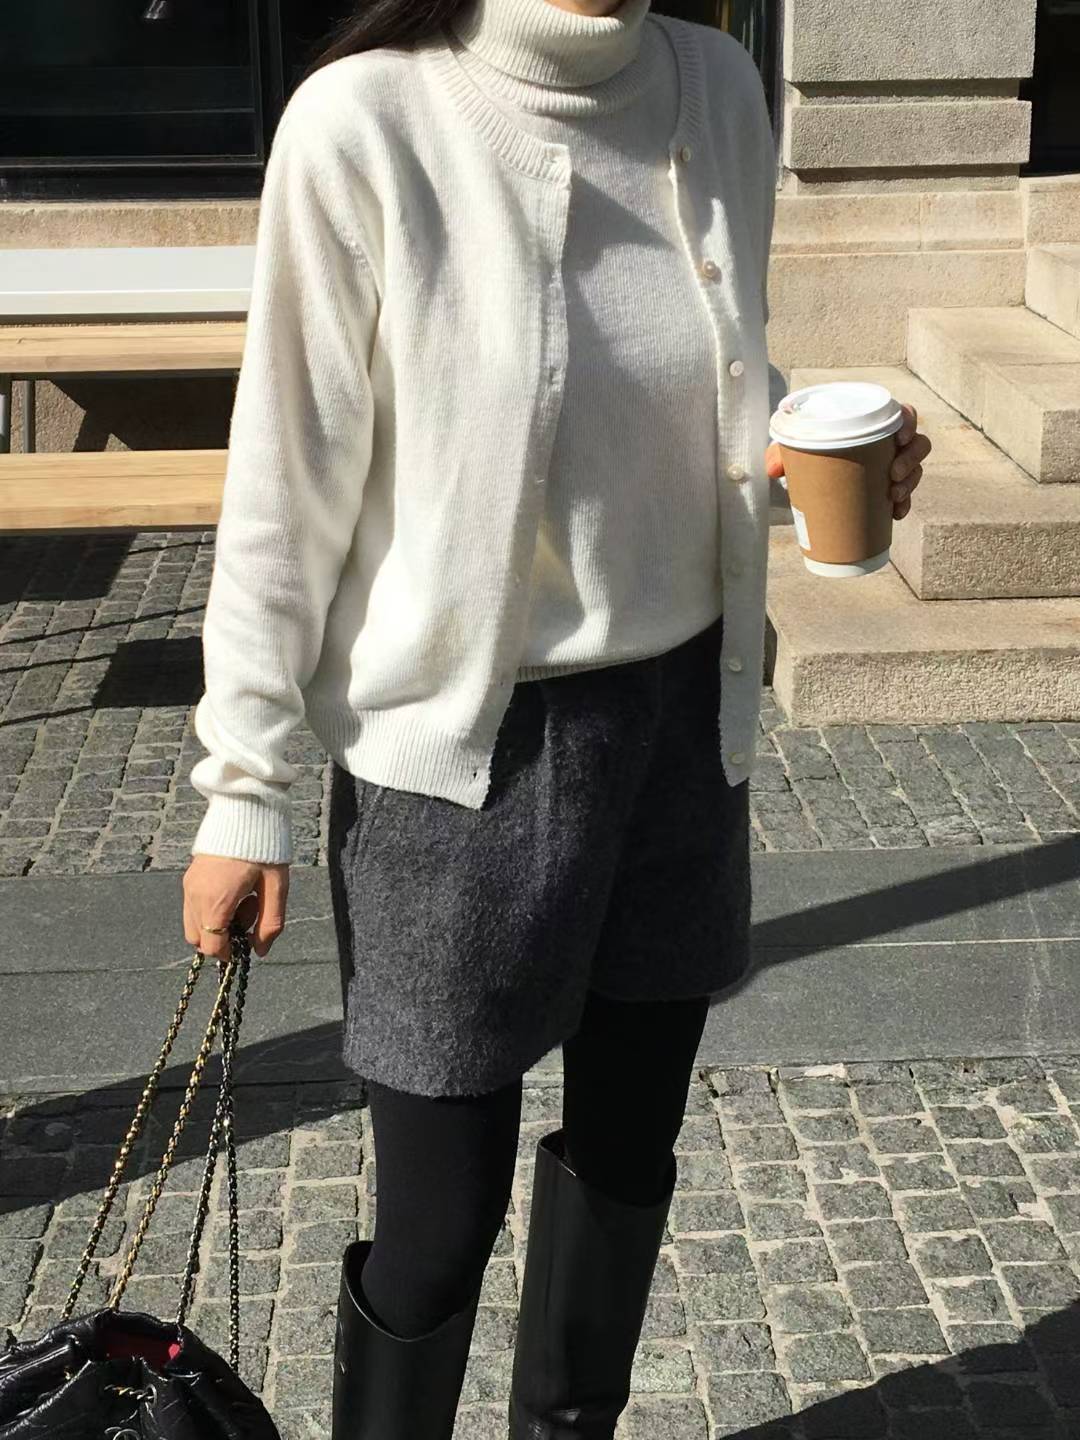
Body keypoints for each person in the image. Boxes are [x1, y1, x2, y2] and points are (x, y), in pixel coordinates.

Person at [181, 0, 932, 1435]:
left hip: (682, 727)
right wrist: (246, 791)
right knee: (438, 1220)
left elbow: (704, 378)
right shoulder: (367, 120)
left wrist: (802, 454)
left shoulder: (717, 84)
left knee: (629, 1156)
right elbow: (286, 479)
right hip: (460, 760)